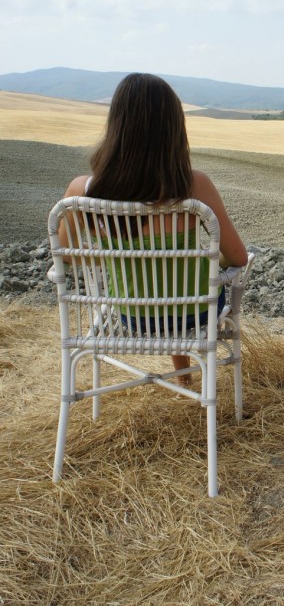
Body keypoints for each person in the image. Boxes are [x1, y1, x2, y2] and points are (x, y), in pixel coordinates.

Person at [58, 72, 248, 383]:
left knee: (156, 278)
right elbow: (238, 257)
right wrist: (203, 260)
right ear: (173, 128)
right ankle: (185, 375)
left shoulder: (81, 190)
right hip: (193, 315)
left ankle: (183, 374)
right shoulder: (194, 184)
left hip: (132, 317)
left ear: (116, 125)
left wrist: (114, 256)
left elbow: (68, 254)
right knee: (179, 279)